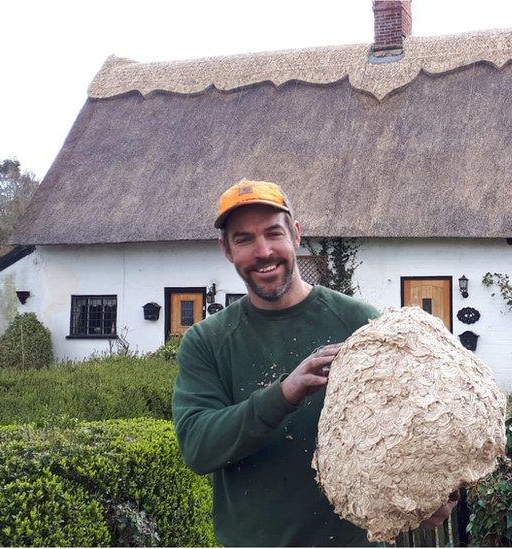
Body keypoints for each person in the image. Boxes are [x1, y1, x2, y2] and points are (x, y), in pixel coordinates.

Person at [171, 179, 457, 547]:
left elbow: (419, 422)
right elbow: (198, 448)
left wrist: (433, 494)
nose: (263, 251)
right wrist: (284, 394)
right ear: (226, 250)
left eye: (273, 233)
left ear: (296, 235)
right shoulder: (206, 342)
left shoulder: (358, 323)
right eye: (244, 239)